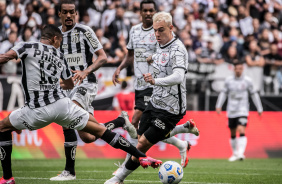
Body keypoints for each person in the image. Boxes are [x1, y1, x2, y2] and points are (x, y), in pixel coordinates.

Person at [0, 24, 160, 184]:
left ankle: (7, 178)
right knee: (99, 131)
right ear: (55, 38)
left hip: (36, 110)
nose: (59, 45)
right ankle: (142, 156)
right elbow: (69, 85)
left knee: (2, 127)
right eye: (59, 42)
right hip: (62, 105)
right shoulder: (59, 55)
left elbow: (4, 58)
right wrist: (54, 85)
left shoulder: (27, 46)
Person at [105, 11, 199, 184]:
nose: (156, 34)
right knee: (141, 139)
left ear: (171, 28)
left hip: (171, 109)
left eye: (161, 30)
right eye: (155, 30)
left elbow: (178, 76)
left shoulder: (179, 49)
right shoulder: (160, 45)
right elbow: (163, 57)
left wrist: (155, 80)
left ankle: (118, 179)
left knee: (140, 146)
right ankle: (183, 133)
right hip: (155, 102)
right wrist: (152, 58)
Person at [50, 0, 137, 181]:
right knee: (89, 136)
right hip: (66, 86)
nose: (68, 15)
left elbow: (103, 57)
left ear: (76, 13)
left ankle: (69, 171)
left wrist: (85, 71)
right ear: (59, 14)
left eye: (71, 12)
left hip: (86, 82)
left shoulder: (85, 31)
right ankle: (119, 121)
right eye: (64, 12)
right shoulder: (54, 36)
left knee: (67, 113)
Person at [215, 62, 263, 162]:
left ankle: (241, 153)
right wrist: (218, 105)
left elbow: (254, 94)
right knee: (232, 132)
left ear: (243, 69)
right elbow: (223, 93)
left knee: (241, 129)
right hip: (231, 110)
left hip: (243, 110)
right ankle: (235, 153)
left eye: (240, 69)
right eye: (236, 68)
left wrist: (259, 108)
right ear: (234, 69)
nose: (238, 70)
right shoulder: (228, 80)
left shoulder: (248, 81)